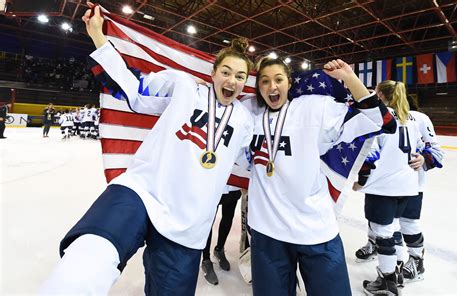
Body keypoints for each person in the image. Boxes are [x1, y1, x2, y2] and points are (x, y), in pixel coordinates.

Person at [40, 3, 254, 295]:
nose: (232, 81)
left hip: (188, 222)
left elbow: (254, 162)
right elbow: (137, 92)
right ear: (214, 73)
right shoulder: (184, 87)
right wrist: (99, 38)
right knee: (91, 254)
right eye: (226, 72)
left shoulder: (245, 121)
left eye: (240, 76)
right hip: (143, 191)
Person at [240, 57, 396, 296]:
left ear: (289, 83)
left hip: (314, 228)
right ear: (258, 86)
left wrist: (349, 77)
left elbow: (381, 121)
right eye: (265, 81)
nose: (272, 86)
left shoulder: (312, 108)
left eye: (278, 79)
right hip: (267, 231)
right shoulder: (248, 113)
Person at [355, 90, 444, 285]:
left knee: (400, 224)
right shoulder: (385, 116)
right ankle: (385, 255)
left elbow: (436, 151)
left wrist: (424, 158)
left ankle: (405, 266)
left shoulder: (418, 118)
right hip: (398, 181)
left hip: (407, 182)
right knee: (385, 224)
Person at [201, 186, 242, 285]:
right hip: (213, 182)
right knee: (208, 222)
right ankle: (206, 260)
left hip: (233, 181)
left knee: (228, 219)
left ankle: (219, 249)